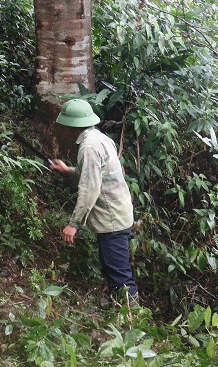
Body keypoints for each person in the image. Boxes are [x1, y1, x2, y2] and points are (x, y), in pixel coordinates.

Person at [48, 99, 139, 304]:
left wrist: (73, 224)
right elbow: (94, 173)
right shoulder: (99, 138)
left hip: (112, 220)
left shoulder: (88, 146)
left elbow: (90, 189)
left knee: (120, 276)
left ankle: (133, 322)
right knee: (112, 269)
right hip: (118, 214)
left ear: (71, 125)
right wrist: (67, 170)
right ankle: (120, 313)